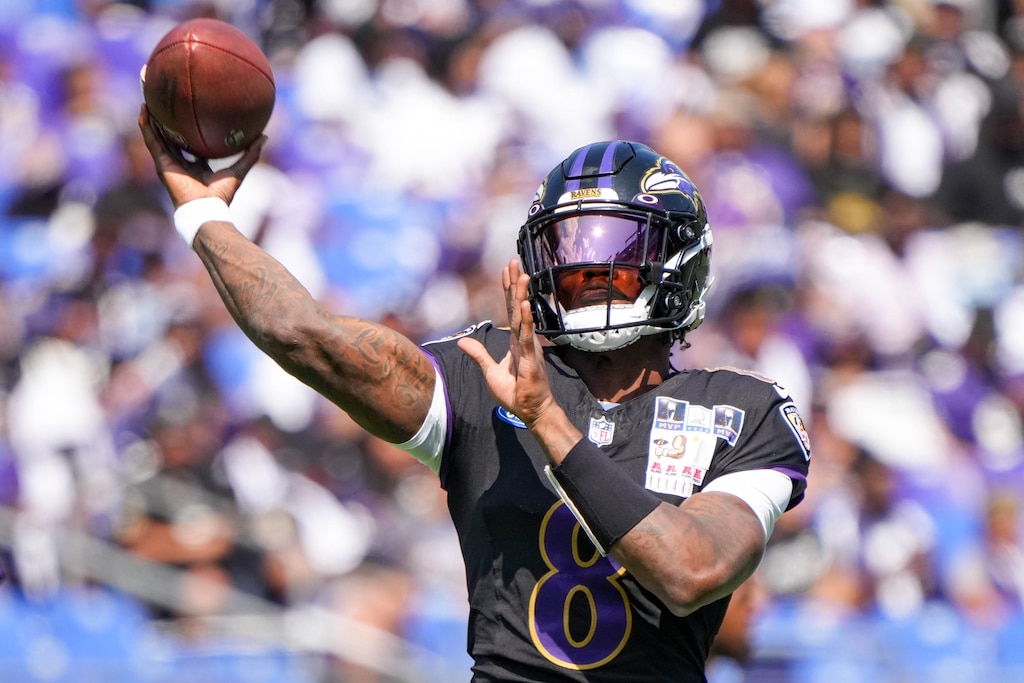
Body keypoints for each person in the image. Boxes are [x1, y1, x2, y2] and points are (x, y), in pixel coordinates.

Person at [138, 108, 811, 682]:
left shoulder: (741, 411)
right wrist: (204, 214)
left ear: (675, 262)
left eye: (615, 248)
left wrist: (547, 421)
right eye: (569, 249)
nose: (586, 268)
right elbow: (309, 337)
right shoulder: (483, 370)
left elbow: (692, 567)